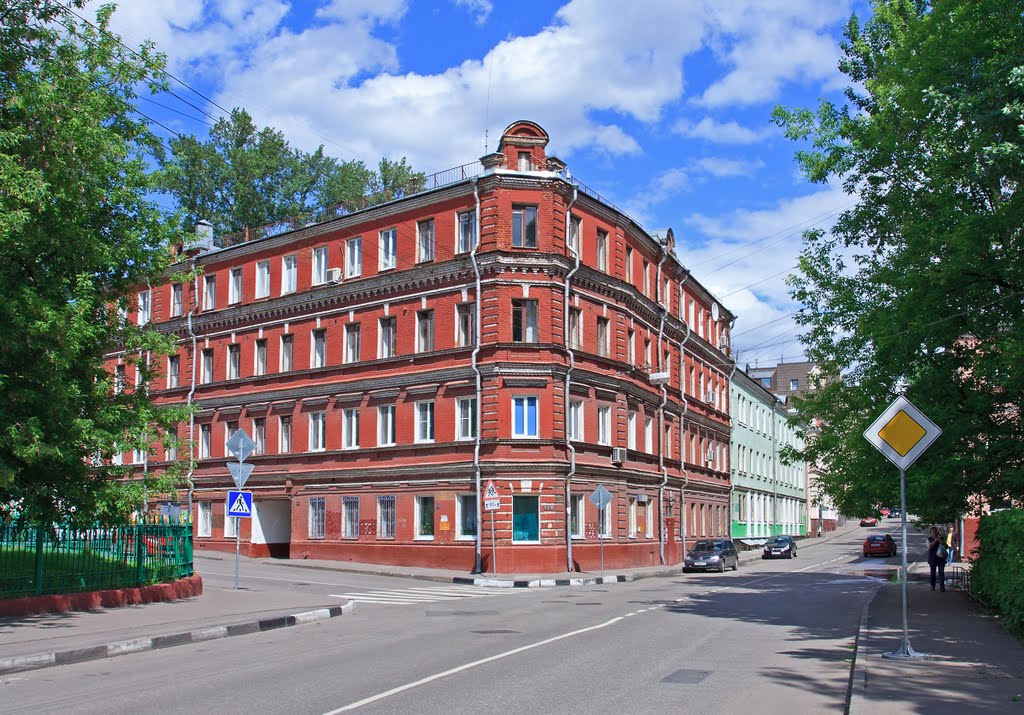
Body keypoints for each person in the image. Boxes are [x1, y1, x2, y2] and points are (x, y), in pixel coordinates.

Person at [927, 526, 946, 591]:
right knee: (933, 573)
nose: (934, 533)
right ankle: (933, 586)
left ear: (937, 532)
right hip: (932, 558)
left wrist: (940, 540)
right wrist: (935, 540)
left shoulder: (941, 538)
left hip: (941, 558)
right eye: (932, 532)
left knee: (941, 573)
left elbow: (946, 546)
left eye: (935, 531)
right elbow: (929, 546)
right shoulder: (929, 539)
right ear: (930, 533)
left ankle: (942, 587)